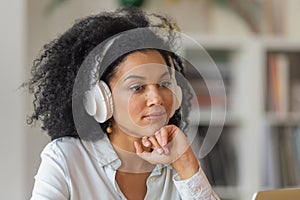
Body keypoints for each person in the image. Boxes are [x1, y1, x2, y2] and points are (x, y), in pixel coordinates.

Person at [27, 7, 220, 200]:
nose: (156, 98)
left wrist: (185, 162)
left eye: (163, 84)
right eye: (137, 87)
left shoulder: (178, 161)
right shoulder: (65, 158)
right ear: (101, 100)